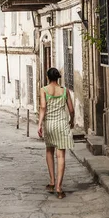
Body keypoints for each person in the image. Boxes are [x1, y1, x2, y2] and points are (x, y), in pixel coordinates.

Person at [37, 67, 74, 199]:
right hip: (62, 124)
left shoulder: (44, 90)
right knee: (61, 156)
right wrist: (72, 121)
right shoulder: (65, 91)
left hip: (50, 124)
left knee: (49, 151)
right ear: (58, 77)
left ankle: (52, 181)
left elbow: (43, 107)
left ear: (48, 77)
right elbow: (71, 109)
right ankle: (59, 187)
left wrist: (40, 124)